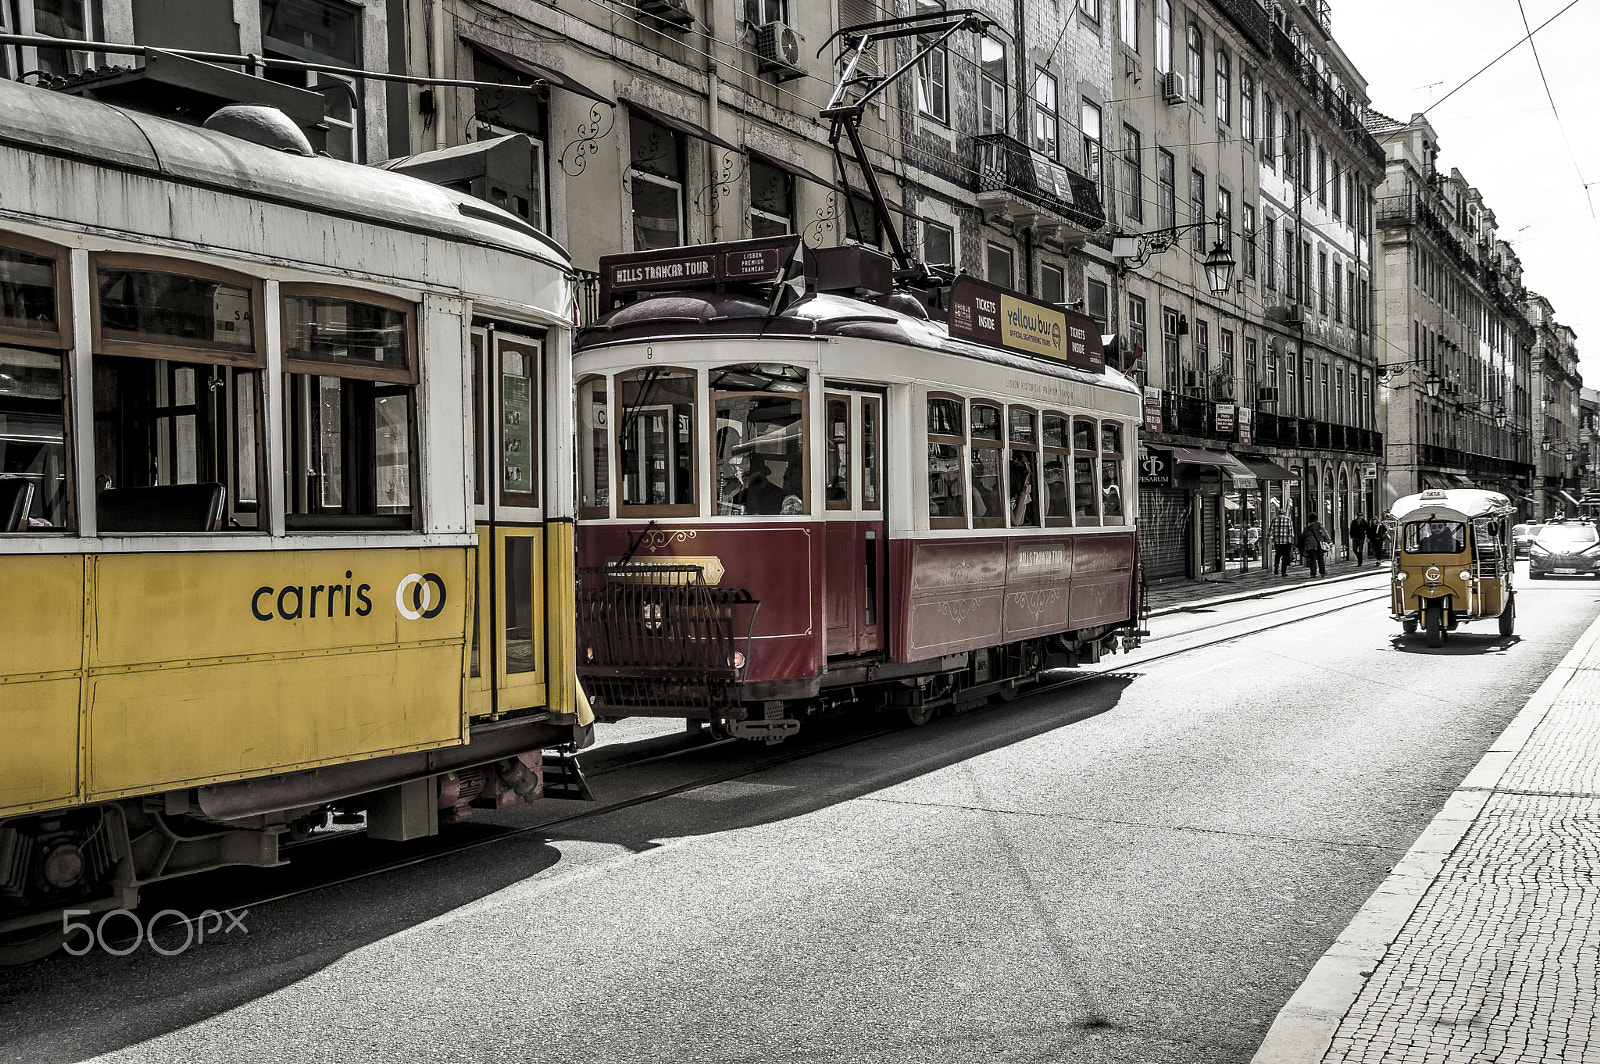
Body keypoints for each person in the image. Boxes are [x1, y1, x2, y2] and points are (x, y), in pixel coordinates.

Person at [1270, 505, 1297, 576]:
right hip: (1286, 542)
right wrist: (1292, 539)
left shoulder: (1274, 519)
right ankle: (1283, 571)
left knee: (1277, 555)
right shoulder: (1288, 520)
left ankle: (1276, 568)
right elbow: (1291, 531)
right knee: (1285, 556)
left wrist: (1268, 538)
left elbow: (1270, 530)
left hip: (1277, 541)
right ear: (1285, 513)